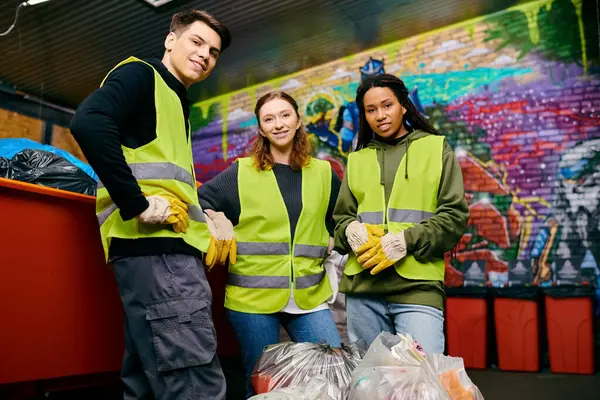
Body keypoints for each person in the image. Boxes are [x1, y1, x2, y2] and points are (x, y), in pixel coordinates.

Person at [70, 10, 234, 400]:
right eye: (197, 42)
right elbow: (89, 122)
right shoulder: (142, 75)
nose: (205, 55)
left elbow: (166, 177)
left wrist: (206, 213)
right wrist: (137, 203)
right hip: (159, 252)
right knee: (194, 382)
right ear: (170, 39)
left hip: (151, 255)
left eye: (213, 52)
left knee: (146, 381)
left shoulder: (177, 102)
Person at [198, 91, 343, 398]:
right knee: (260, 383)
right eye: (269, 119)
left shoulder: (322, 173)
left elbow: (344, 216)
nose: (278, 124)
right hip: (252, 299)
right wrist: (215, 217)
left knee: (333, 368)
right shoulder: (242, 171)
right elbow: (200, 199)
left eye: (285, 115)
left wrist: (334, 238)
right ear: (261, 129)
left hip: (308, 294)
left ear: (298, 120)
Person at [333, 73, 469, 354]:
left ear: (403, 106)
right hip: (363, 288)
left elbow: (454, 215)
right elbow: (341, 219)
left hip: (417, 287)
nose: (380, 115)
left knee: (424, 382)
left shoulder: (435, 148)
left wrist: (406, 240)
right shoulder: (357, 159)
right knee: (371, 385)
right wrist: (350, 230)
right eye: (371, 110)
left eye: (387, 105)